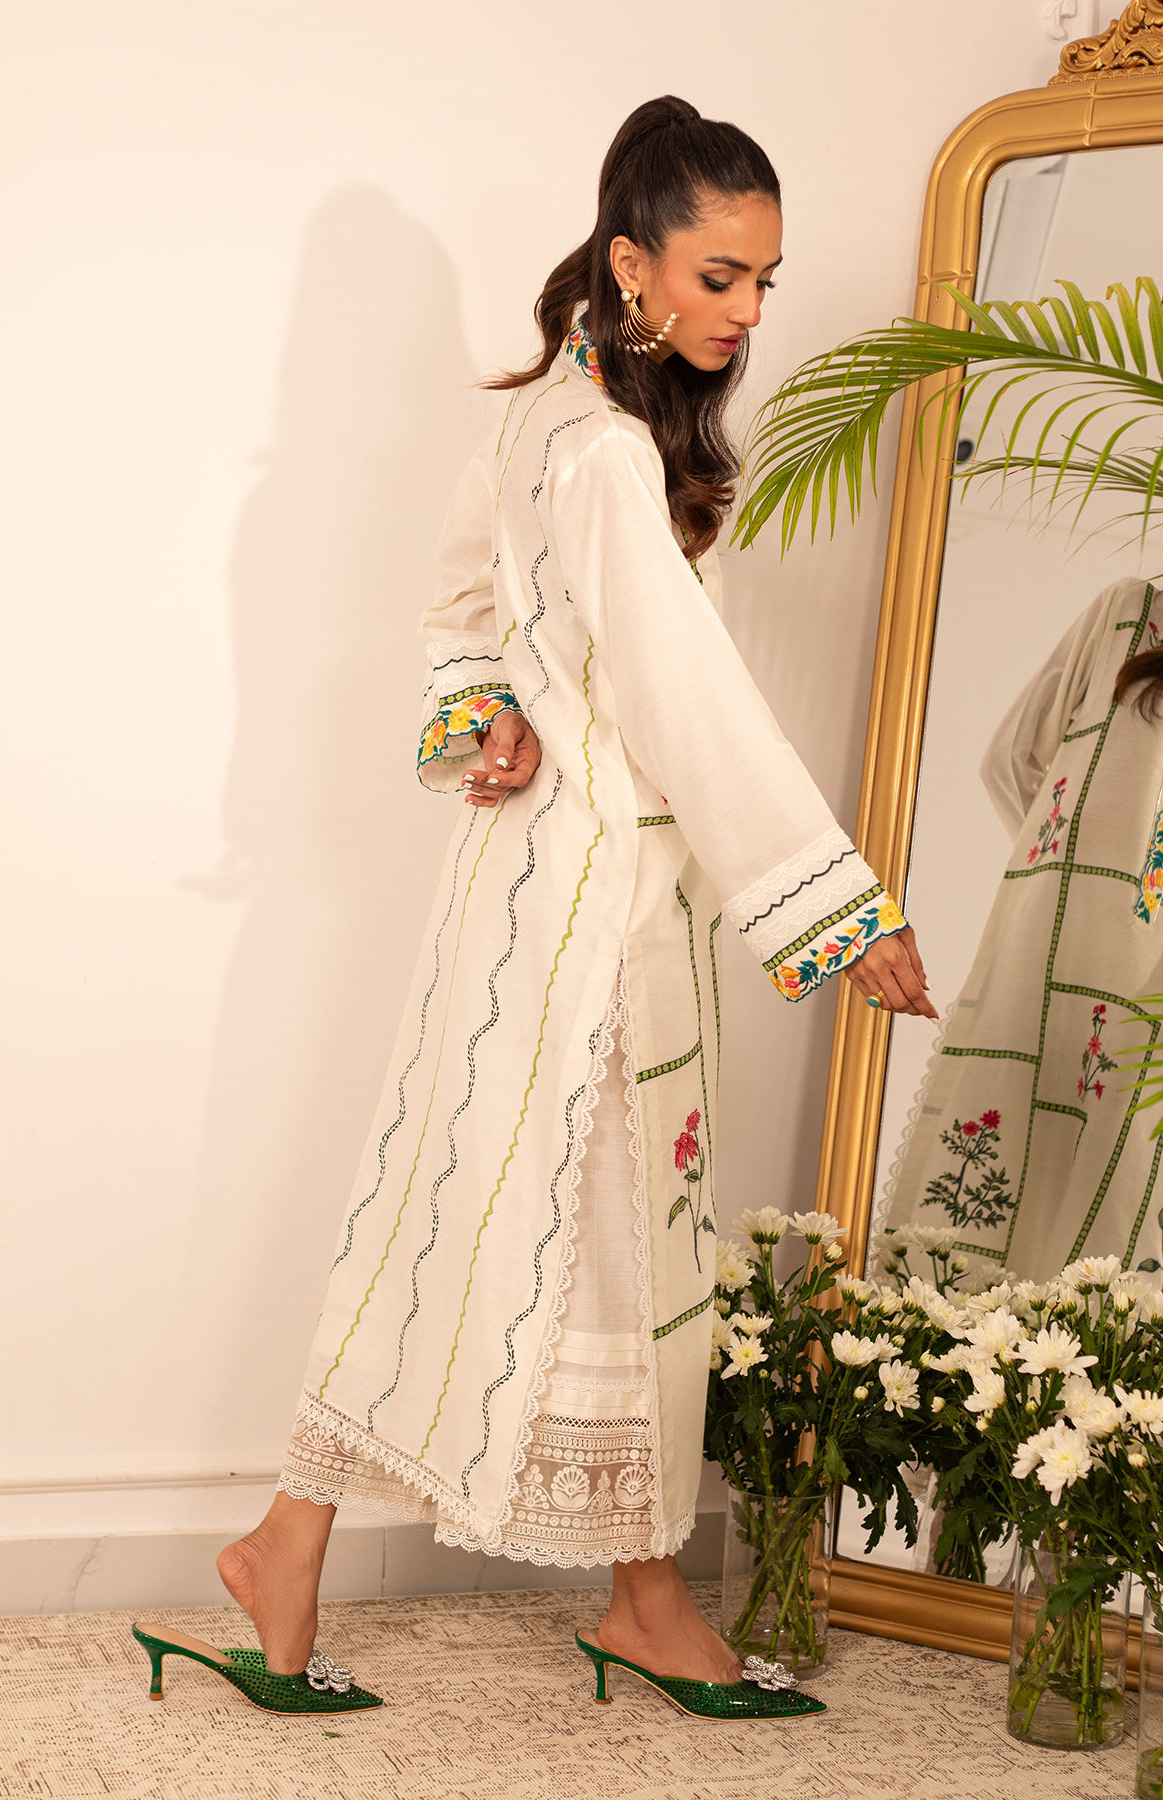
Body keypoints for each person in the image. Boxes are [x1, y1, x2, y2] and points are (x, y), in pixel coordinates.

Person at [135, 95, 934, 1721]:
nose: (747, 312)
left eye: (765, 281)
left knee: (486, 1223)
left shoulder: (546, 419)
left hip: (521, 906)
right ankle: (594, 1592)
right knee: (575, 1235)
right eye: (719, 276)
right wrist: (841, 911)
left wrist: (484, 710)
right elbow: (685, 696)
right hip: (586, 924)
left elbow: (461, 608)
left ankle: (331, 1550)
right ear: (633, 262)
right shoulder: (601, 451)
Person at [880, 574, 1163, 1281]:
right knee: (1052, 1164)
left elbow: (1008, 761)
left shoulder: (1130, 615)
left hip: (1081, 949)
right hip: (1087, 954)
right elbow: (1006, 764)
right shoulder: (1129, 610)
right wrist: (1064, 881)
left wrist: (1063, 884)